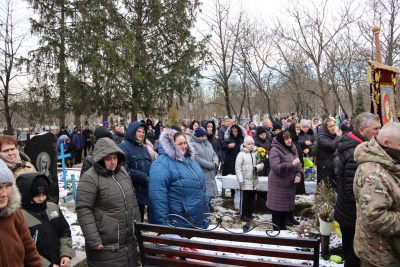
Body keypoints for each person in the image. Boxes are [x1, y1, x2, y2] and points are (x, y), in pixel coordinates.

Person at [76, 138, 140, 266]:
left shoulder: (122, 173)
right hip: (107, 245)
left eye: (115, 158)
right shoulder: (90, 178)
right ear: (101, 159)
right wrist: (93, 238)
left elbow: (132, 200)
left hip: (128, 242)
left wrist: (137, 227)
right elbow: (84, 209)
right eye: (108, 159)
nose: (113, 162)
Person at [334, 112, 381, 267]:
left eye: (379, 128)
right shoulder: (355, 153)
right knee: (353, 258)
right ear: (361, 131)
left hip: (351, 215)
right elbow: (352, 192)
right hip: (352, 217)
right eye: (375, 129)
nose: (378, 132)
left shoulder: (359, 146)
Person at [353, 122, 400, 266]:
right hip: (380, 255)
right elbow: (374, 217)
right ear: (387, 142)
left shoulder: (389, 159)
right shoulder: (372, 174)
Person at [149, 130, 210, 228]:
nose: (184, 146)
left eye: (185, 143)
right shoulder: (161, 164)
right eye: (180, 144)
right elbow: (158, 200)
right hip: (179, 222)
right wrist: (165, 227)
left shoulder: (190, 160)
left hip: (197, 219)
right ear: (171, 145)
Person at [17, 173, 75, 267]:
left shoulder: (53, 208)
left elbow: (64, 232)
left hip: (59, 262)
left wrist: (65, 254)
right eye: (37, 196)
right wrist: (48, 265)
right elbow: (24, 250)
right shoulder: (20, 217)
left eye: (44, 194)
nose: (41, 199)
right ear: (26, 195)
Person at [0, 159, 42, 266]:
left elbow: (30, 252)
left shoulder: (14, 213)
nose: (4, 193)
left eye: (8, 186)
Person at [267, 131, 303, 231]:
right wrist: (292, 164)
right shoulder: (275, 150)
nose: (289, 140)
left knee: (285, 213)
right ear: (282, 140)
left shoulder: (293, 148)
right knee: (277, 214)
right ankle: (277, 237)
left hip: (289, 187)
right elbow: (276, 167)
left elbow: (299, 165)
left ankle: (283, 236)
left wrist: (298, 175)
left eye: (290, 138)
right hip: (278, 186)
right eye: (286, 139)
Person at [118, 121, 152, 222]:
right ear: (132, 132)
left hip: (144, 193)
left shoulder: (144, 149)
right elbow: (123, 168)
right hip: (131, 193)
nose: (141, 134)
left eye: (143, 131)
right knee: (133, 223)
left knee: (140, 221)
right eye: (139, 131)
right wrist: (143, 177)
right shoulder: (123, 147)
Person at [235, 136, 264, 222]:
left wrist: (257, 167)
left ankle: (250, 213)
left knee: (252, 198)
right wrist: (240, 179)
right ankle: (244, 214)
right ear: (245, 145)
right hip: (245, 179)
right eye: (249, 144)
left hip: (253, 180)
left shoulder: (256, 153)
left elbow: (261, 164)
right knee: (245, 198)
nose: (251, 146)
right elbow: (238, 168)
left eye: (252, 144)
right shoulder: (241, 155)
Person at [190, 127, 218, 212]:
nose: (204, 137)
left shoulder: (207, 143)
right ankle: (204, 206)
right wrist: (209, 165)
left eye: (205, 136)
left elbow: (214, 154)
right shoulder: (193, 144)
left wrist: (215, 163)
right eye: (202, 136)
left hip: (210, 170)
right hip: (202, 171)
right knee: (203, 189)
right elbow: (197, 158)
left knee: (209, 188)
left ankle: (208, 204)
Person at [317, 118, 342, 187]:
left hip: (334, 167)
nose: (333, 128)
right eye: (330, 126)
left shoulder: (333, 135)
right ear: (326, 128)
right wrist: (338, 137)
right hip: (325, 169)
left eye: (334, 125)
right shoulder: (321, 137)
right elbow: (331, 146)